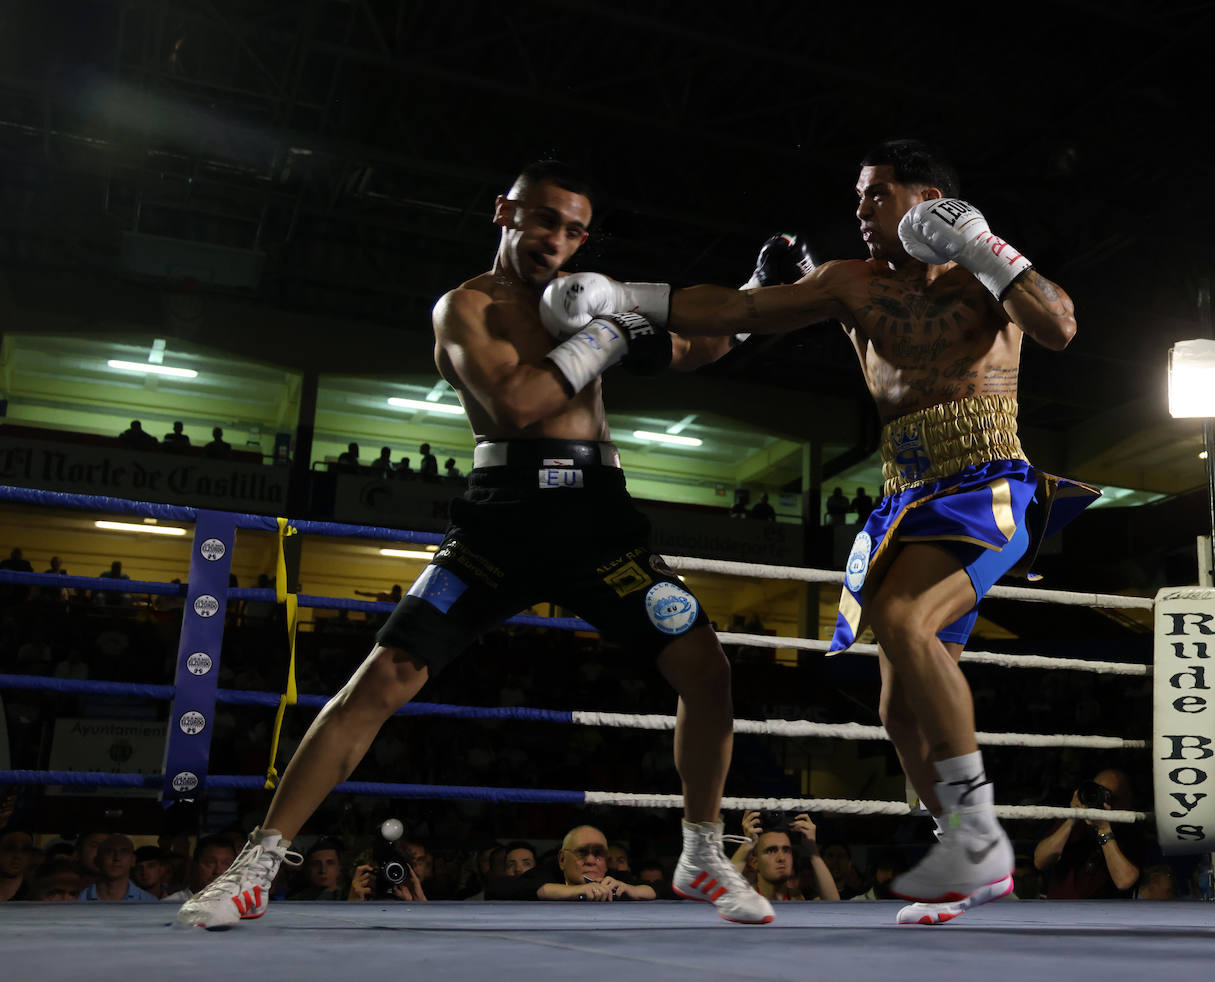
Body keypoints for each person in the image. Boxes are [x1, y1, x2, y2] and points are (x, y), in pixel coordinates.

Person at [176, 159, 772, 929]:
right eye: (542, 219)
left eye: (572, 228)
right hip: (503, 518)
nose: (554, 239)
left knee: (708, 668)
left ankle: (699, 853)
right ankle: (256, 865)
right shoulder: (466, 307)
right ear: (504, 212)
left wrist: (751, 301)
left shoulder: (586, 298)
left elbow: (693, 349)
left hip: (598, 519)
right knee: (386, 675)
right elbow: (520, 402)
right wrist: (609, 329)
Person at [540, 138, 1099, 925]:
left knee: (903, 621)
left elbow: (1060, 327)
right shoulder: (849, 283)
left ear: (927, 197)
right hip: (905, 497)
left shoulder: (987, 275)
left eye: (876, 194)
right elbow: (737, 310)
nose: (861, 211)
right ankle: (966, 862)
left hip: (988, 481)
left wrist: (981, 241)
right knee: (898, 709)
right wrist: (620, 295)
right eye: (858, 198)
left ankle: (977, 833)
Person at [1033, 768, 1146, 899]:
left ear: (1127, 801)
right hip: (1061, 912)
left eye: (1109, 796)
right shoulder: (1071, 822)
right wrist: (1072, 819)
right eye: (1097, 791)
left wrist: (1104, 830)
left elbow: (1124, 881)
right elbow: (1040, 862)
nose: (1100, 799)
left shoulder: (1131, 832)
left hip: (1106, 916)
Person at [487, 824, 657, 901]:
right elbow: (496, 889)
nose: (591, 861)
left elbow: (666, 888)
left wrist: (633, 890)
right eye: (582, 853)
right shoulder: (545, 874)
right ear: (562, 859)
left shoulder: (614, 880)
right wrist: (571, 891)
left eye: (598, 854)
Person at [79, 834, 158, 902]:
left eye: (124, 851)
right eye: (109, 851)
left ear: (133, 860)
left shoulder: (149, 901)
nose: (117, 857)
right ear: (98, 860)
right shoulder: (78, 899)